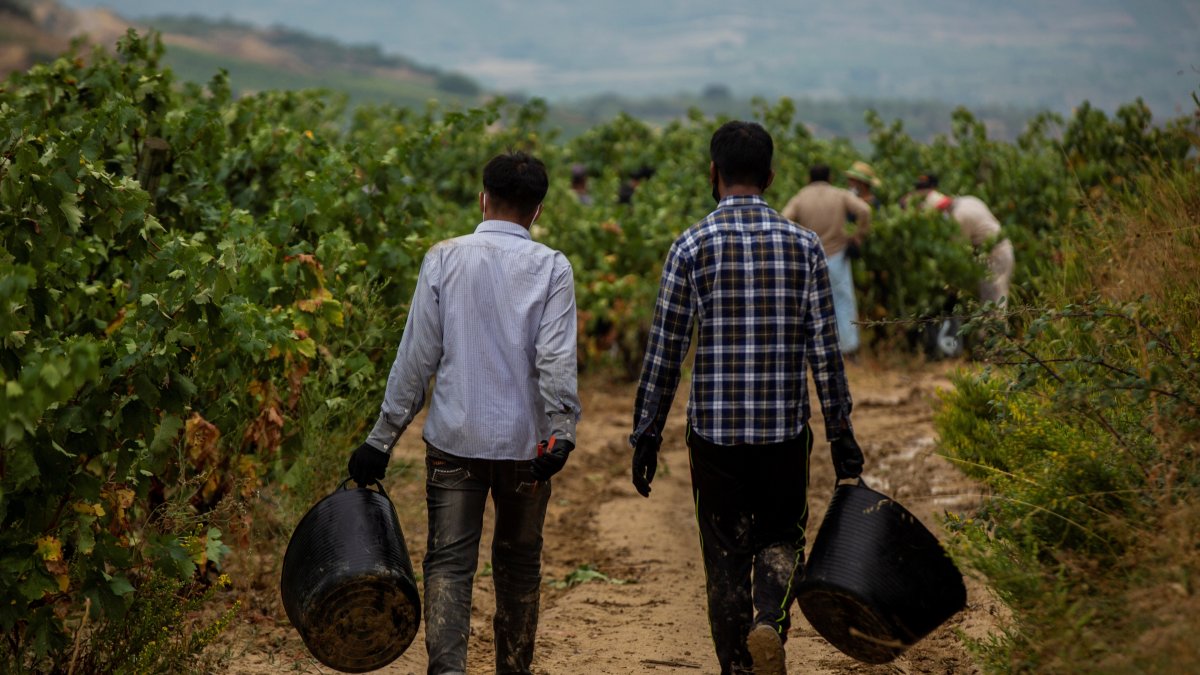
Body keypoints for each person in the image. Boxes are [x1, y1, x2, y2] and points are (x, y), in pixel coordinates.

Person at [628, 121, 864, 675]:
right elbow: (825, 353)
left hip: (714, 438)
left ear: (714, 174)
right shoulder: (804, 247)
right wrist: (841, 436)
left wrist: (646, 435)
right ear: (771, 178)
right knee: (782, 535)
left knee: (724, 553)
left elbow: (665, 353)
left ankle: (736, 665)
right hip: (784, 433)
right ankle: (768, 619)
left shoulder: (690, 245)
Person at [347, 151, 583, 675]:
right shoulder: (552, 267)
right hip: (530, 451)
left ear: (483, 199)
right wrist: (562, 431)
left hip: (454, 443)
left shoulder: (443, 258)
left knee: (450, 564)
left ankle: (447, 671)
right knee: (519, 567)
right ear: (537, 211)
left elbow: (416, 359)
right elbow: (555, 359)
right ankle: (513, 669)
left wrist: (381, 440)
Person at [781, 164, 872, 355]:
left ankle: (813, 349)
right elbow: (864, 210)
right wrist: (858, 235)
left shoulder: (801, 197)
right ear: (829, 178)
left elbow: (783, 220)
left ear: (809, 178)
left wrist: (796, 244)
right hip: (837, 254)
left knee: (809, 304)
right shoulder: (839, 195)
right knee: (842, 302)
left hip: (810, 258)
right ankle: (848, 349)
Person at [914, 173, 1015, 307]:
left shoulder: (958, 218)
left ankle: (995, 328)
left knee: (994, 308)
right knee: (991, 306)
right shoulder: (967, 200)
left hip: (994, 257)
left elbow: (958, 253)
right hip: (1000, 251)